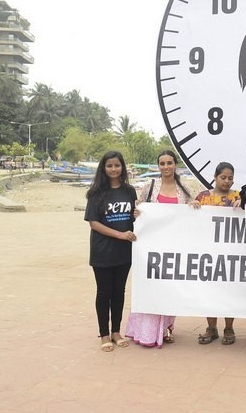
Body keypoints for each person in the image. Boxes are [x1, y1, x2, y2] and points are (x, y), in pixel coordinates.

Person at [125, 150, 194, 348]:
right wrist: (138, 212)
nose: (166, 167)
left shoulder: (184, 189)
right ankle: (144, 332)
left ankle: (166, 328)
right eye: (162, 163)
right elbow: (139, 208)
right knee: (151, 287)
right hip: (151, 249)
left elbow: (191, 212)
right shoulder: (150, 186)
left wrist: (196, 205)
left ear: (175, 164)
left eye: (169, 163)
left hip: (174, 249)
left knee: (170, 289)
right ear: (158, 166)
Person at [84, 150, 137, 352]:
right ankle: (104, 334)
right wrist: (120, 235)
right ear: (103, 168)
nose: (114, 169)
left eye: (117, 165)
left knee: (119, 292)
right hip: (102, 251)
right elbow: (94, 223)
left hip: (124, 252)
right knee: (104, 292)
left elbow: (133, 218)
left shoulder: (129, 191)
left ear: (122, 167)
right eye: (109, 166)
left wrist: (139, 214)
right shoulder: (96, 192)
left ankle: (116, 331)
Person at [193, 162, 242, 345]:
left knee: (230, 291)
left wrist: (243, 203)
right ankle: (211, 328)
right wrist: (192, 207)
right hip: (208, 253)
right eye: (223, 177)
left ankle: (229, 328)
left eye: (230, 178)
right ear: (215, 177)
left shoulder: (238, 196)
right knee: (209, 291)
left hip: (230, 254)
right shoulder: (203, 197)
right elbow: (192, 220)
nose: (227, 181)